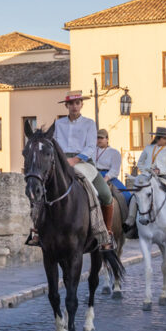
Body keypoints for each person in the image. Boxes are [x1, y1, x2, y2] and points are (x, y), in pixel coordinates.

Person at [28, 91, 114, 249]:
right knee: (41, 187)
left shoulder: (89, 124)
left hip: (83, 161)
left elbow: (90, 147)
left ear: (81, 105)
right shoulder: (58, 124)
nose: (74, 106)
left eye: (77, 103)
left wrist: (74, 160)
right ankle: (37, 230)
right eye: (71, 104)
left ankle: (106, 233)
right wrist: (61, 160)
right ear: (66, 106)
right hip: (60, 161)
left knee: (106, 195)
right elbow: (53, 144)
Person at [94, 128, 131, 208]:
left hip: (108, 176)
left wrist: (106, 178)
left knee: (127, 196)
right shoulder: (92, 150)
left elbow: (115, 169)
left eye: (101, 138)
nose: (99, 140)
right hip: (92, 174)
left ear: (107, 139)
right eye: (97, 138)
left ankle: (128, 214)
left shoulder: (114, 152)